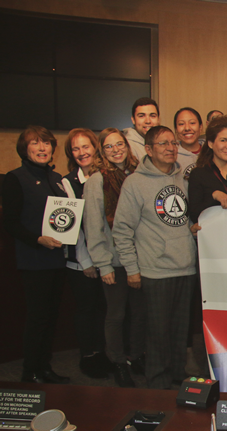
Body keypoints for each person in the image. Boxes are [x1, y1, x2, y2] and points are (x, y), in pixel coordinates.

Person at [113, 125, 199, 389]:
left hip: (185, 268)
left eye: (173, 143)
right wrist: (131, 269)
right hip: (155, 271)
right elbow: (122, 229)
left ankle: (176, 376)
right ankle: (157, 384)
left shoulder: (182, 180)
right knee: (158, 334)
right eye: (163, 144)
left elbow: (184, 219)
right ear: (148, 150)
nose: (170, 148)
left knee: (178, 332)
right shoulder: (135, 183)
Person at [2, 126, 69, 384]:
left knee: (52, 317)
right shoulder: (15, 178)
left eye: (46, 144)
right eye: (35, 144)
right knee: (37, 318)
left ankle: (45, 367)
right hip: (34, 259)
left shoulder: (56, 178)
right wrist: (37, 239)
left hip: (56, 259)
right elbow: (9, 222)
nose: (42, 148)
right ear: (25, 148)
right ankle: (29, 371)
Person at [83, 128, 146, 387]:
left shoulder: (140, 174)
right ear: (102, 151)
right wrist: (103, 263)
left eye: (119, 144)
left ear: (127, 146)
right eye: (108, 147)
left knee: (140, 314)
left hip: (141, 259)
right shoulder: (97, 181)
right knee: (116, 315)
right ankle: (118, 361)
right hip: (114, 261)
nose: (115, 150)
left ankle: (135, 356)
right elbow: (94, 224)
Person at [61, 128, 109, 379]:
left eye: (86, 147)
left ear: (95, 147)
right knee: (86, 309)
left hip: (107, 259)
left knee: (104, 308)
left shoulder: (107, 177)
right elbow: (76, 226)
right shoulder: (67, 183)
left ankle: (103, 353)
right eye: (76, 149)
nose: (82, 153)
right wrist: (87, 260)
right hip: (82, 262)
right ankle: (88, 355)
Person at [189, 115, 227, 222]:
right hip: (214, 235)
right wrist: (213, 196)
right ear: (211, 144)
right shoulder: (198, 174)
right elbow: (194, 215)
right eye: (223, 140)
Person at [122, 97, 160, 162]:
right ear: (133, 120)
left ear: (158, 119)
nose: (148, 121)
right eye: (141, 116)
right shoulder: (127, 147)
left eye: (152, 116)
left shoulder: (165, 143)